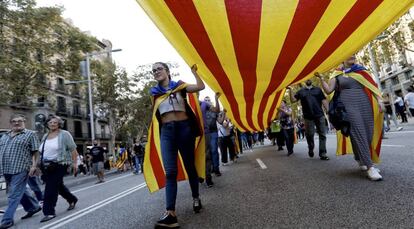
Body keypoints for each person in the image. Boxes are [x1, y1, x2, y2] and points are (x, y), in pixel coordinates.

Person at [148, 62, 205, 228]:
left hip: (184, 129)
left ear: (167, 71)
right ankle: (171, 213)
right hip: (167, 132)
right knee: (170, 172)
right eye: (153, 70)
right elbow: (155, 116)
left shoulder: (179, 86)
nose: (156, 72)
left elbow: (200, 86)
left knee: (189, 166)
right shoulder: (154, 93)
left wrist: (194, 72)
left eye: (159, 68)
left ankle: (196, 198)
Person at [317, 55, 383, 181]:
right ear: (342, 58)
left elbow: (373, 86)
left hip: (364, 103)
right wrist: (321, 79)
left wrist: (379, 100)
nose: (352, 56)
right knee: (359, 133)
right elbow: (328, 90)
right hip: (348, 106)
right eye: (349, 55)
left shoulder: (362, 71)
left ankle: (360, 158)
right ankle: (370, 167)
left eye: (354, 55)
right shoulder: (337, 74)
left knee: (368, 134)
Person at [0, 114, 42, 229]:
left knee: (13, 194)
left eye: (19, 121)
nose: (17, 123)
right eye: (14, 121)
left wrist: (34, 166)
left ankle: (7, 220)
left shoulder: (30, 134)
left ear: (24, 121)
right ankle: (33, 206)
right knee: (19, 191)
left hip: (21, 169)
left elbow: (35, 152)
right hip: (5, 169)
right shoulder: (5, 136)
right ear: (11, 123)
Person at [39, 115, 78, 223]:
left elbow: (73, 150)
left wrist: (75, 164)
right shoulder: (45, 136)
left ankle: (49, 212)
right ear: (47, 124)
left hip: (60, 164)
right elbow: (41, 151)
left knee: (50, 187)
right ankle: (72, 199)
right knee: (58, 185)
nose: (52, 124)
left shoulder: (64, 134)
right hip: (46, 165)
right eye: (50, 122)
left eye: (55, 122)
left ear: (59, 124)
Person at [287, 80, 330, 160]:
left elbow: (323, 100)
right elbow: (293, 100)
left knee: (322, 134)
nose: (309, 79)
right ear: (304, 80)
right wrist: (290, 90)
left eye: (310, 78)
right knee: (309, 135)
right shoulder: (301, 91)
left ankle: (323, 153)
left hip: (319, 115)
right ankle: (311, 147)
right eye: (307, 78)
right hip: (308, 117)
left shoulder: (318, 89)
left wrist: (328, 110)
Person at [200, 93, 221, 187]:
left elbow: (217, 110)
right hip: (193, 134)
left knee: (210, 152)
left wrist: (216, 99)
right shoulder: (187, 103)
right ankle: (200, 174)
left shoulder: (205, 105)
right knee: (198, 156)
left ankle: (211, 174)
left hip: (209, 133)